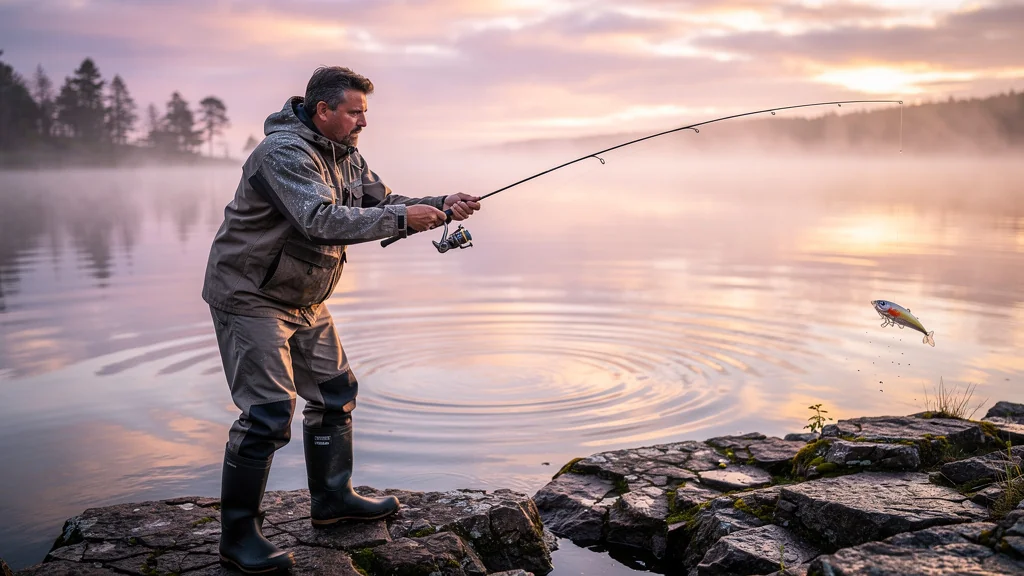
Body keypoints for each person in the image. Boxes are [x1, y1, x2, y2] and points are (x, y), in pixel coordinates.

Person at [201, 66, 480, 574]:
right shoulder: (282, 153)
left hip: (304, 295)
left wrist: (439, 204)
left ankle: (332, 501)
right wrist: (403, 220)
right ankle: (237, 537)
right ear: (322, 110)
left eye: (364, 113)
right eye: (355, 112)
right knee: (265, 415)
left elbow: (382, 202)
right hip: (250, 293)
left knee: (335, 393)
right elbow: (319, 219)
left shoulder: (346, 154)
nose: (362, 123)